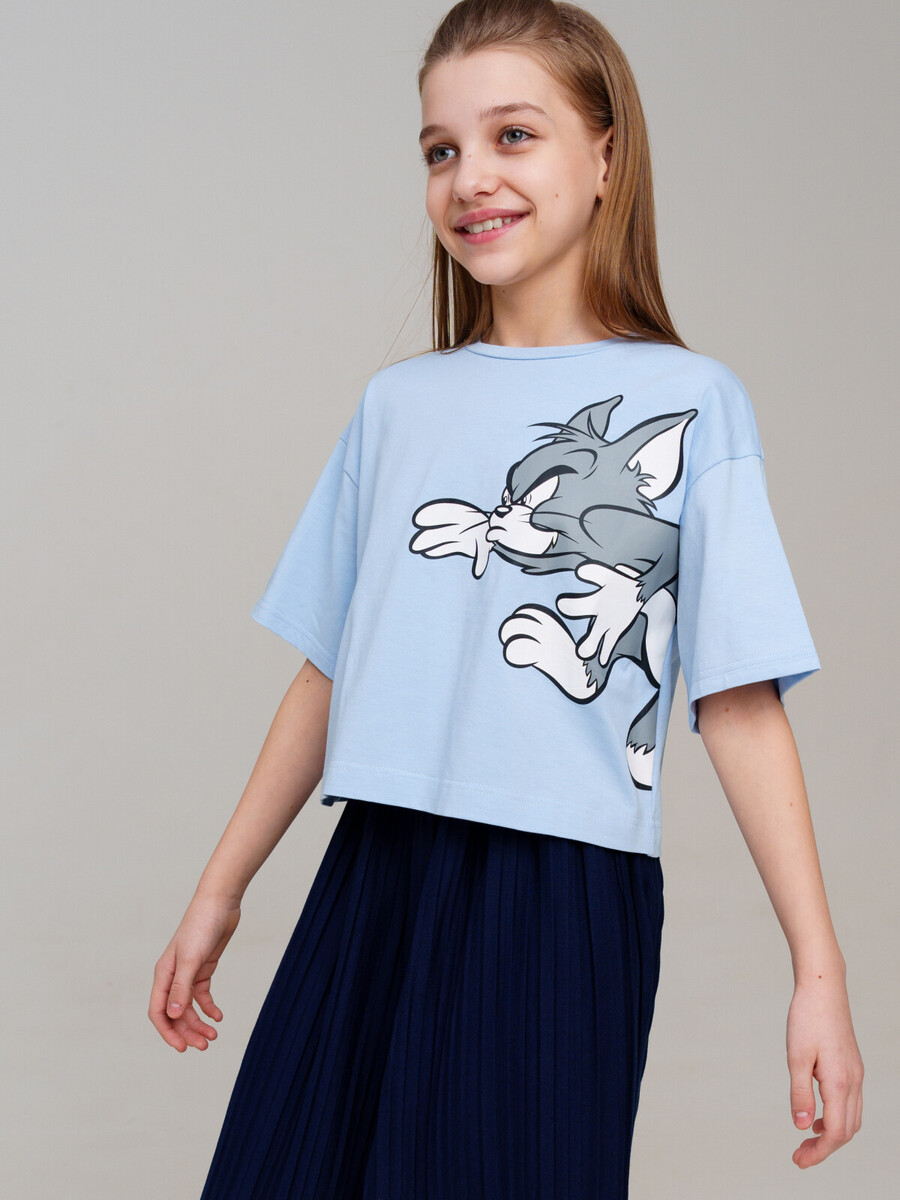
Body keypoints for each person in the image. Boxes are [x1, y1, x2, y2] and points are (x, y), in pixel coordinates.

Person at [148, 1, 864, 1195]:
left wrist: (818, 975)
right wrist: (219, 891)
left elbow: (740, 702)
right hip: (375, 869)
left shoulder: (693, 404)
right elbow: (330, 669)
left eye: (513, 135)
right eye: (442, 148)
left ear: (606, 156)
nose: (471, 176)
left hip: (561, 893)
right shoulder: (397, 408)